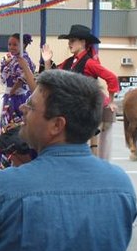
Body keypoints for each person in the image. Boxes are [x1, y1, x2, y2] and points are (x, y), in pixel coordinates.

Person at [0, 70, 137, 251]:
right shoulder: (121, 185)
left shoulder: (6, 187)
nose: (22, 109)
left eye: (31, 105)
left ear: (57, 125)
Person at [41, 24, 120, 160]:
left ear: (83, 42)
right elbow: (52, 77)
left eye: (73, 40)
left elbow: (111, 77)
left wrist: (112, 101)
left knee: (93, 146)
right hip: (75, 108)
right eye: (69, 41)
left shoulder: (89, 63)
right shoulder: (69, 62)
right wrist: (47, 61)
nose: (69, 44)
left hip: (89, 107)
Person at [0, 33, 36, 169]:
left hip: (18, 99)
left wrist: (11, 91)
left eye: (15, 44)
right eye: (9, 44)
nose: (11, 47)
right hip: (10, 97)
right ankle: (3, 163)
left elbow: (23, 79)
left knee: (13, 130)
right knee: (6, 129)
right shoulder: (10, 58)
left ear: (23, 45)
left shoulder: (24, 60)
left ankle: (11, 162)